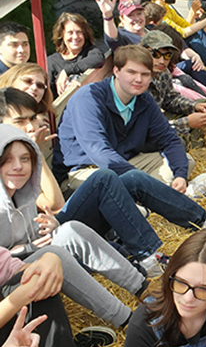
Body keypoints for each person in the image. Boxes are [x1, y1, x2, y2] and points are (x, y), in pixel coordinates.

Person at [0, 86, 206, 276]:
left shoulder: (21, 156)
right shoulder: (10, 167)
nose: (29, 127)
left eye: (32, 118)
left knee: (131, 178)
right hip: (44, 246)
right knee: (103, 179)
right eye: (20, 121)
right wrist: (35, 155)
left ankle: (205, 221)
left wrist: (32, 152)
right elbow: (55, 204)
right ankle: (149, 258)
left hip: (55, 226)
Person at [1, 124, 143, 331]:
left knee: (71, 229)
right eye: (8, 160)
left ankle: (143, 289)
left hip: (26, 259)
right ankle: (128, 321)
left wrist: (51, 227)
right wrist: (25, 249)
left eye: (25, 159)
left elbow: (50, 211)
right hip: (8, 282)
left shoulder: (24, 196)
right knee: (54, 253)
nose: (18, 166)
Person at [53, 44, 193, 192]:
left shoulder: (144, 100)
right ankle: (147, 199)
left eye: (145, 74)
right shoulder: (89, 98)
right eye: (131, 72)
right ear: (116, 71)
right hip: (87, 170)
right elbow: (98, 150)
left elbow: (169, 139)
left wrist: (181, 176)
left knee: (184, 162)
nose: (139, 79)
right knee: (111, 186)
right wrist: (138, 179)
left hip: (125, 164)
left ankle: (145, 199)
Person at [95, 0, 206, 96]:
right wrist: (107, 16)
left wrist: (193, 54)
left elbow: (177, 44)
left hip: (169, 68)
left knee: (193, 64)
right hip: (152, 78)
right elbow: (111, 38)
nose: (137, 18)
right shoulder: (123, 37)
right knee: (183, 80)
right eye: (131, 16)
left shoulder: (150, 29)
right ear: (122, 18)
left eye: (139, 13)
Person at [140, 30, 206, 142]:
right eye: (156, 54)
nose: (162, 61)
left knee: (204, 105)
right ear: (143, 53)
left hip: (159, 121)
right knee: (178, 141)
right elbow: (147, 130)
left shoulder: (163, 73)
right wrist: (187, 123)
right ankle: (189, 143)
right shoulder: (136, 82)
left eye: (167, 55)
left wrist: (194, 106)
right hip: (145, 134)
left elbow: (171, 99)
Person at [47, 12, 105, 97]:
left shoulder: (91, 53)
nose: (75, 37)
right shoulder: (51, 62)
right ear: (61, 35)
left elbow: (99, 58)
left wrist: (67, 71)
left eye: (79, 32)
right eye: (70, 32)